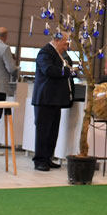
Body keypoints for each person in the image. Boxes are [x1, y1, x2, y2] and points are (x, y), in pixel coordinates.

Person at [31, 35, 76, 171]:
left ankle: (48, 157)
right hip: (45, 98)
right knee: (43, 131)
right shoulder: (45, 52)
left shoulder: (60, 54)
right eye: (64, 44)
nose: (66, 47)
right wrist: (69, 71)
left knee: (52, 131)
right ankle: (39, 160)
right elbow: (48, 70)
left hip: (55, 99)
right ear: (57, 40)